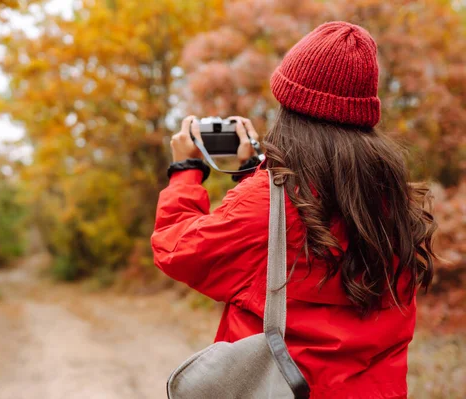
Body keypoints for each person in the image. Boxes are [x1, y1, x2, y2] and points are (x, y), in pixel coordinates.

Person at [151, 21, 437, 399]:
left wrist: (185, 173)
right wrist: (255, 173)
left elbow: (176, 249)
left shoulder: (267, 204)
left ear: (290, 108)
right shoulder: (391, 203)